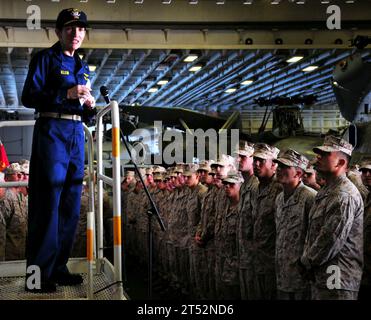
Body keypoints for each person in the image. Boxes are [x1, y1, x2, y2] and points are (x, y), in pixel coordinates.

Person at [21, 8, 95, 293]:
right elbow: (29, 96)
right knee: (47, 204)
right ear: (58, 31)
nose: (76, 33)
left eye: (81, 29)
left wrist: (88, 108)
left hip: (76, 134)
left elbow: (83, 110)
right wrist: (65, 94)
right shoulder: (44, 59)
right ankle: (36, 277)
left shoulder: (83, 66)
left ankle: (58, 268)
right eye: (70, 28)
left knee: (70, 206)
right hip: (52, 132)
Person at [300, 136, 363, 300]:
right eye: (319, 153)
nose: (318, 157)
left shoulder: (343, 195)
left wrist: (307, 261)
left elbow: (330, 239)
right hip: (324, 277)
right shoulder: (328, 190)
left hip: (337, 280)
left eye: (326, 154)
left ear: (341, 163)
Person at [274, 149, 316, 300]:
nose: (279, 170)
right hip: (282, 273)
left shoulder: (310, 198)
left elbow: (314, 236)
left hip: (301, 276)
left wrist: (305, 264)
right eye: (278, 166)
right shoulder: (279, 198)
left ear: (298, 174)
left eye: (285, 167)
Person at [359, 158, 371, 299]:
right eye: (363, 171)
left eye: (370, 171)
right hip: (364, 271)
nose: (367, 174)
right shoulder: (366, 197)